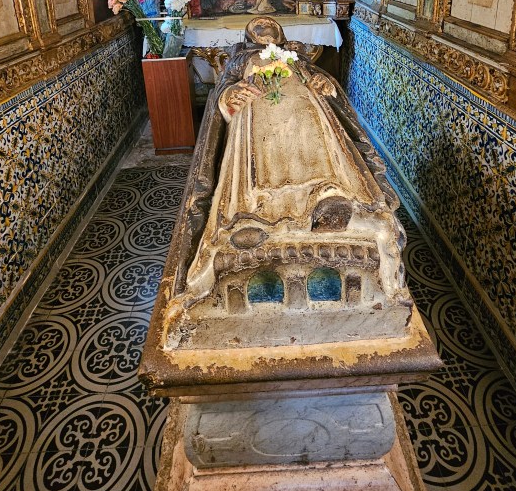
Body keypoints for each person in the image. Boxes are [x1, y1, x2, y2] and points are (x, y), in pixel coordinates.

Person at [171, 18, 404, 309]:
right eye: (257, 25)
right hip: (258, 112)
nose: (264, 26)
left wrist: (325, 85)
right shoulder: (241, 59)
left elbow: (326, 85)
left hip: (304, 108)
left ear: (281, 35)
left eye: (270, 24)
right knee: (265, 150)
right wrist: (230, 96)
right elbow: (223, 90)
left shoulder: (296, 58)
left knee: (314, 137)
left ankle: (327, 195)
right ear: (249, 37)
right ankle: (254, 213)